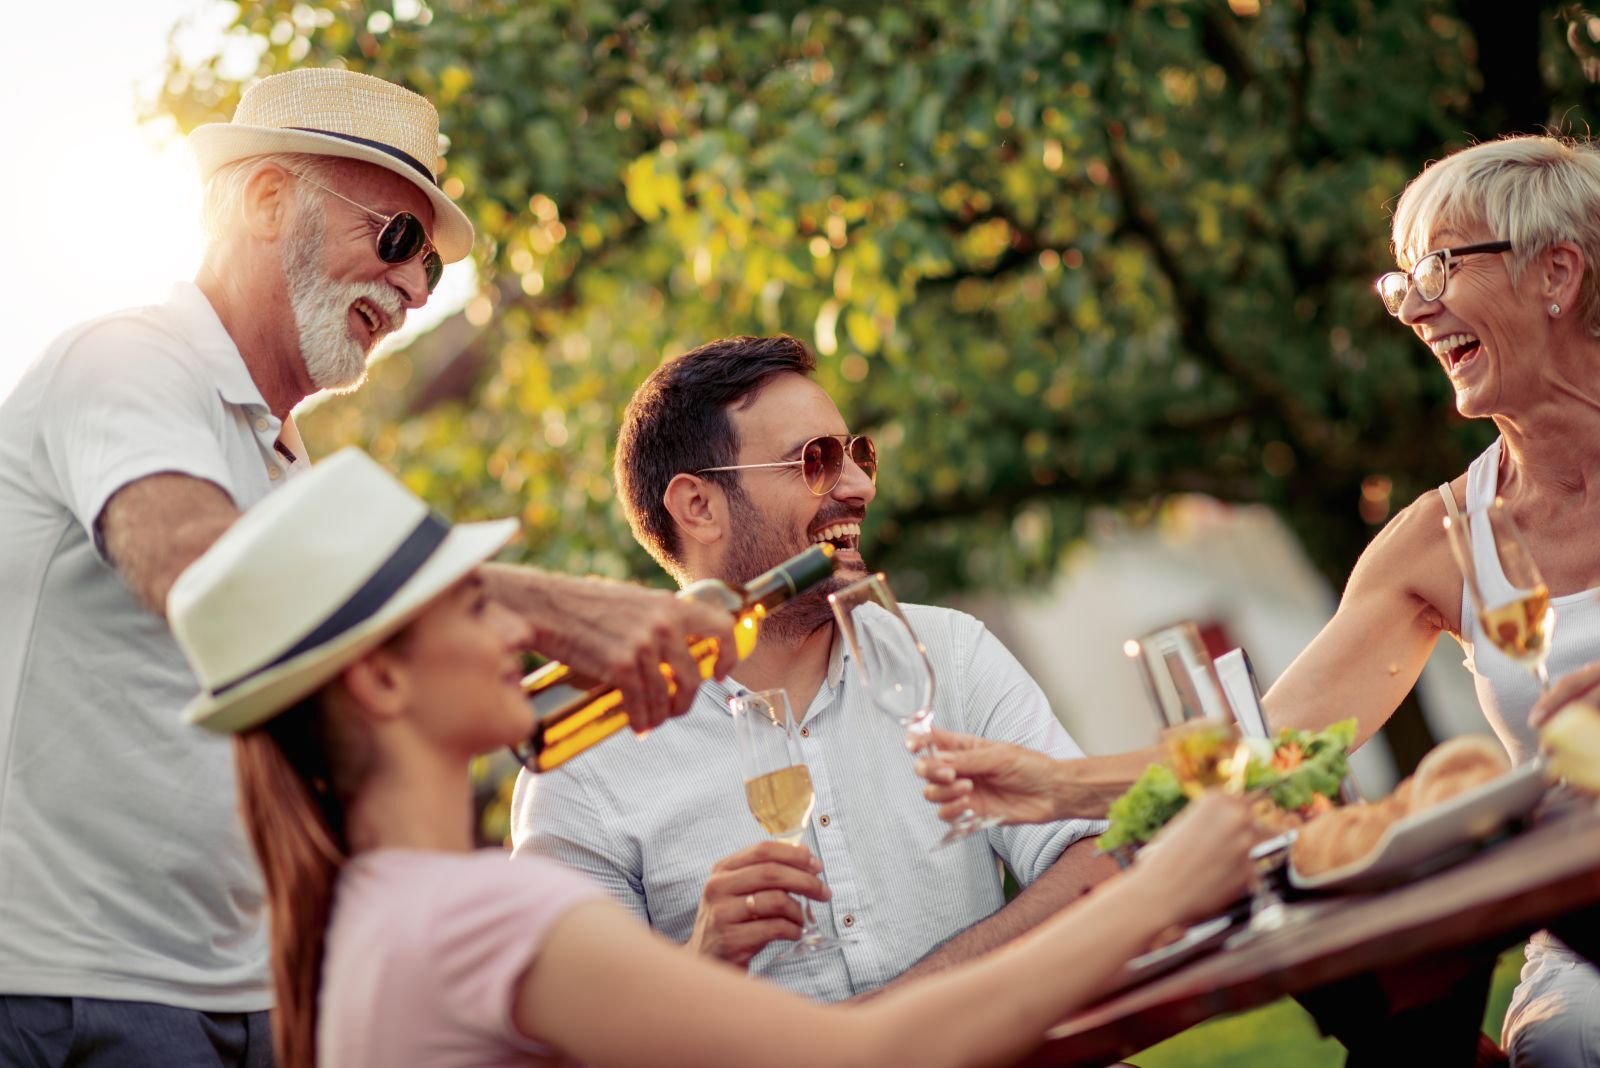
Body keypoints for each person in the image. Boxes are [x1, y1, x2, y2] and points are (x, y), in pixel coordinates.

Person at [0, 67, 732, 1066]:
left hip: (246, 989)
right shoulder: (127, 361)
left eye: (431, 269)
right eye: (396, 239)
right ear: (265, 198)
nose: (415, 290)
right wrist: (556, 606)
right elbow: (203, 577)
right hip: (71, 988)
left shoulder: (290, 471)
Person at [167, 444, 1256, 1068]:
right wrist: (1159, 889)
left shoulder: (368, 918)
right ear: (383, 681)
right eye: (474, 605)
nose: (520, 630)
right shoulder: (471, 918)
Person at [915, 134, 1600, 1066]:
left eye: (1439, 265)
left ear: (1557, 271)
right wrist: (1053, 786)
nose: (1414, 307)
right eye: (1401, 280)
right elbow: (1274, 754)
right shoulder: (1442, 539)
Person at [511, 334, 1122, 1000]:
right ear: (698, 507)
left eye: (858, 455)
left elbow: (1093, 857)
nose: (859, 487)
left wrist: (883, 1028)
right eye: (815, 461)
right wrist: (699, 969)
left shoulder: (947, 651)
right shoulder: (583, 767)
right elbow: (585, 1031)